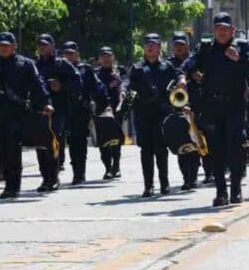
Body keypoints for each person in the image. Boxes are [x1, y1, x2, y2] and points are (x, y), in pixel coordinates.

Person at [180, 12, 249, 207]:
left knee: (236, 147)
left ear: (232, 30)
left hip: (235, 105)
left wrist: (240, 60)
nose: (222, 32)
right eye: (218, 28)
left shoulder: (242, 47)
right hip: (212, 106)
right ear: (213, 30)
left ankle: (236, 189)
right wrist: (183, 77)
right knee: (216, 151)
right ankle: (221, 192)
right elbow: (188, 63)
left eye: (225, 29)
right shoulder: (206, 48)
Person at [0, 32, 53, 199]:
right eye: (0, 45)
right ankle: (9, 182)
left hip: (17, 113)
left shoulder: (25, 64)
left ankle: (13, 186)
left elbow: (38, 84)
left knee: (13, 148)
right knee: (2, 149)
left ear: (14, 46)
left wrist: (45, 102)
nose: (3, 48)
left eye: (6, 45)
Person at [122, 33, 179, 198]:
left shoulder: (166, 67)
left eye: (154, 44)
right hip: (143, 114)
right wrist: (123, 90)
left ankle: (164, 183)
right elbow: (127, 81)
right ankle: (148, 185)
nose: (150, 47)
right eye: (147, 44)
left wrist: (180, 82)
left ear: (159, 46)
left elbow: (178, 79)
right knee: (146, 151)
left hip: (161, 113)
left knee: (161, 149)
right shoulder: (137, 68)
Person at [35, 33, 82, 192]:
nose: (43, 48)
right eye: (40, 45)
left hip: (58, 110)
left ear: (52, 46)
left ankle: (53, 177)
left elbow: (77, 83)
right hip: (40, 110)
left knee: (52, 141)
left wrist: (61, 86)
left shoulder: (62, 64)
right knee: (41, 144)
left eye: (46, 45)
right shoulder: (35, 65)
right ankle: (45, 178)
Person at [63, 41, 110, 185]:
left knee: (80, 142)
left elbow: (97, 87)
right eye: (66, 53)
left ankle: (79, 173)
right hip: (65, 110)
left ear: (77, 54)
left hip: (81, 110)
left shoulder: (85, 69)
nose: (68, 56)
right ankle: (66, 172)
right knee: (71, 142)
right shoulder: (59, 68)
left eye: (71, 53)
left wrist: (103, 103)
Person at [167, 32, 200, 190]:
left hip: (196, 106)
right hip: (178, 107)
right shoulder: (169, 64)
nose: (179, 48)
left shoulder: (195, 61)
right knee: (181, 144)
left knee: (195, 143)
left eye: (182, 44)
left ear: (187, 45)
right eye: (176, 45)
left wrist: (197, 77)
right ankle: (186, 178)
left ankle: (194, 175)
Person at [95, 46, 126, 179]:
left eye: (108, 56)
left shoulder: (120, 71)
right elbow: (94, 89)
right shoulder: (96, 74)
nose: (106, 59)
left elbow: (127, 82)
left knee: (116, 139)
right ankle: (107, 167)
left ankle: (116, 166)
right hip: (101, 109)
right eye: (103, 56)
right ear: (99, 59)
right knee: (103, 140)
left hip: (116, 109)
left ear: (113, 57)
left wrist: (119, 83)